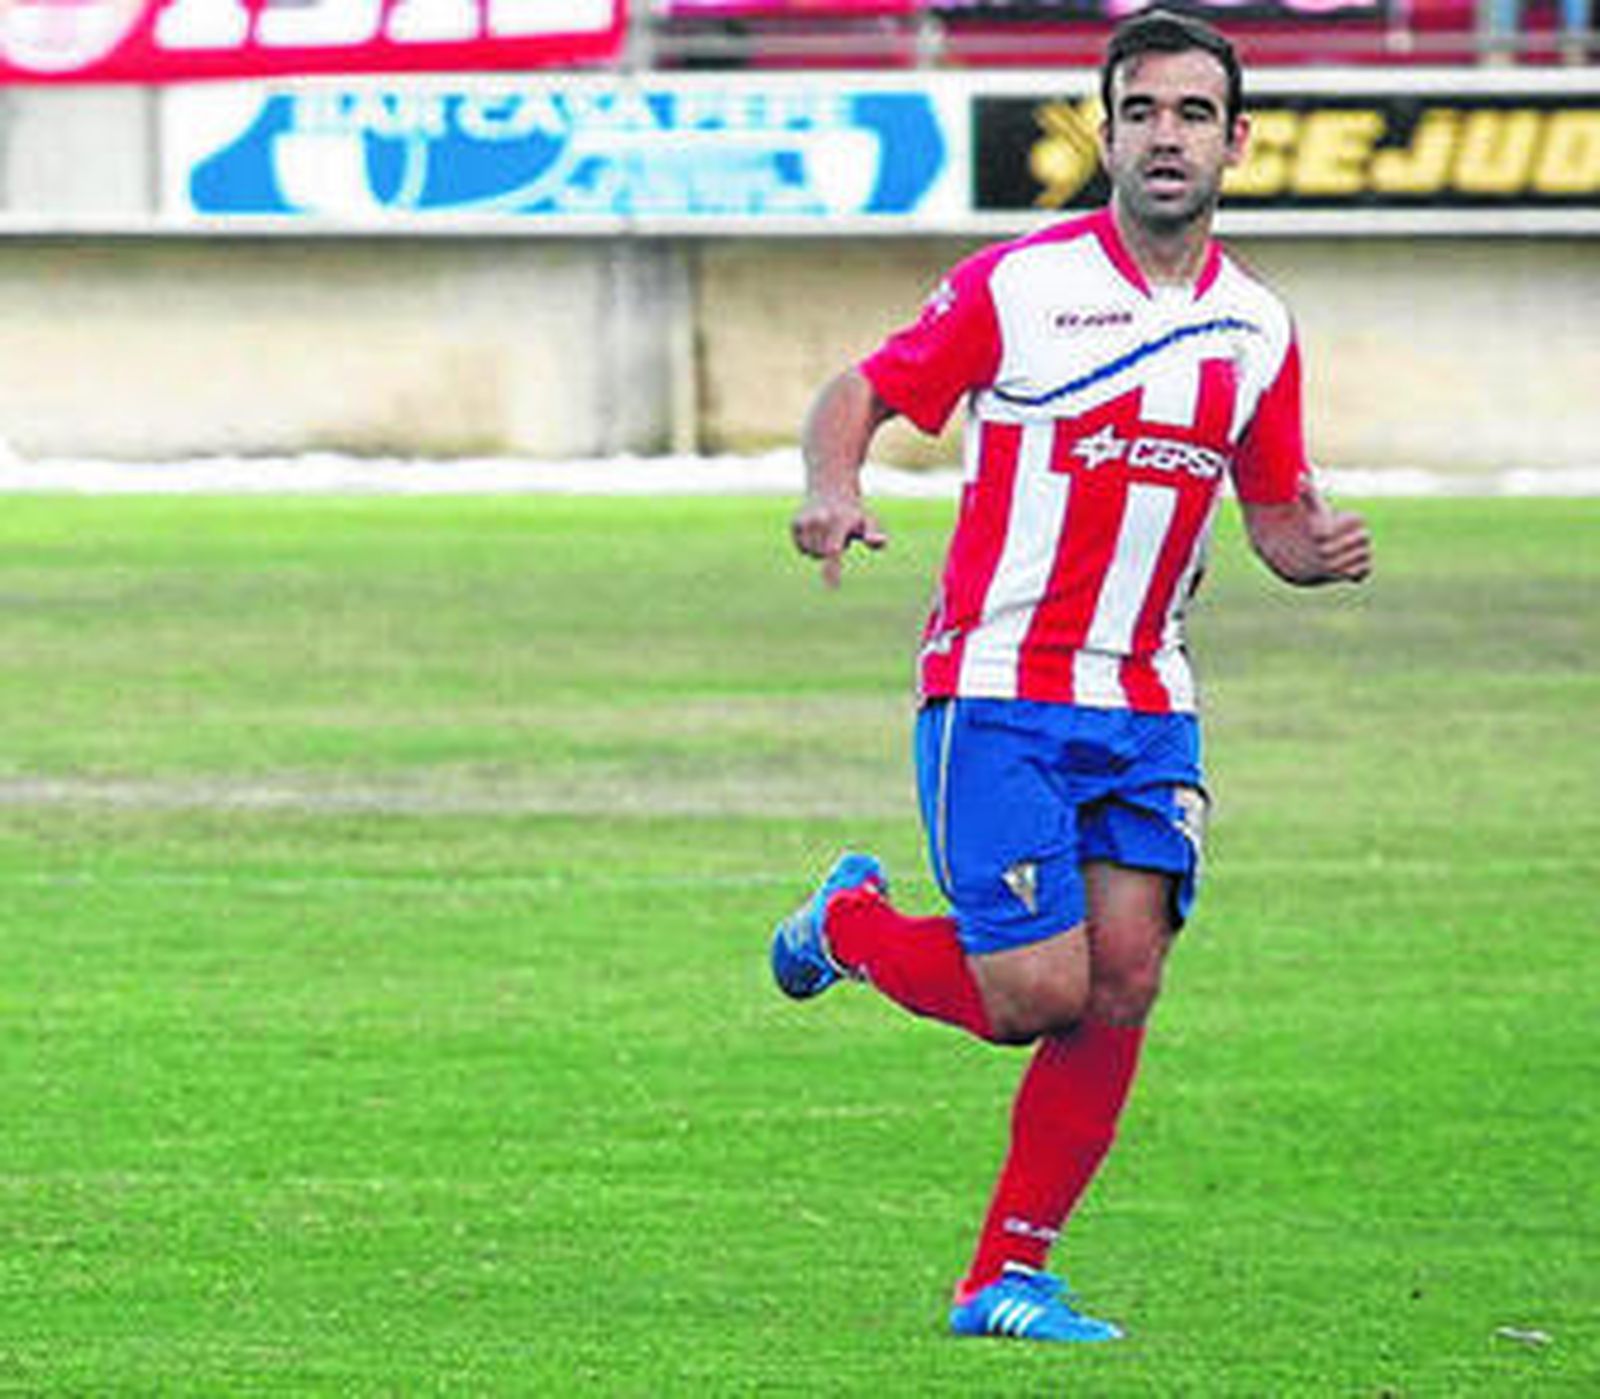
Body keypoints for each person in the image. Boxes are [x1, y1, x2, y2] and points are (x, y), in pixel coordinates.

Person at [769, 8, 1373, 1345]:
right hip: (999, 685)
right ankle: (849, 928)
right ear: (1106, 134)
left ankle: (1005, 1277)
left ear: (1237, 141)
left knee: (1124, 981)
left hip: (1149, 700)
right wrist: (831, 487)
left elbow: (1274, 514)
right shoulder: (1020, 286)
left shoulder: (1257, 328)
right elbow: (858, 392)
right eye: (1141, 111)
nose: (1167, 136)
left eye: (1193, 114)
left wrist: (1315, 551)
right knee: (1033, 995)